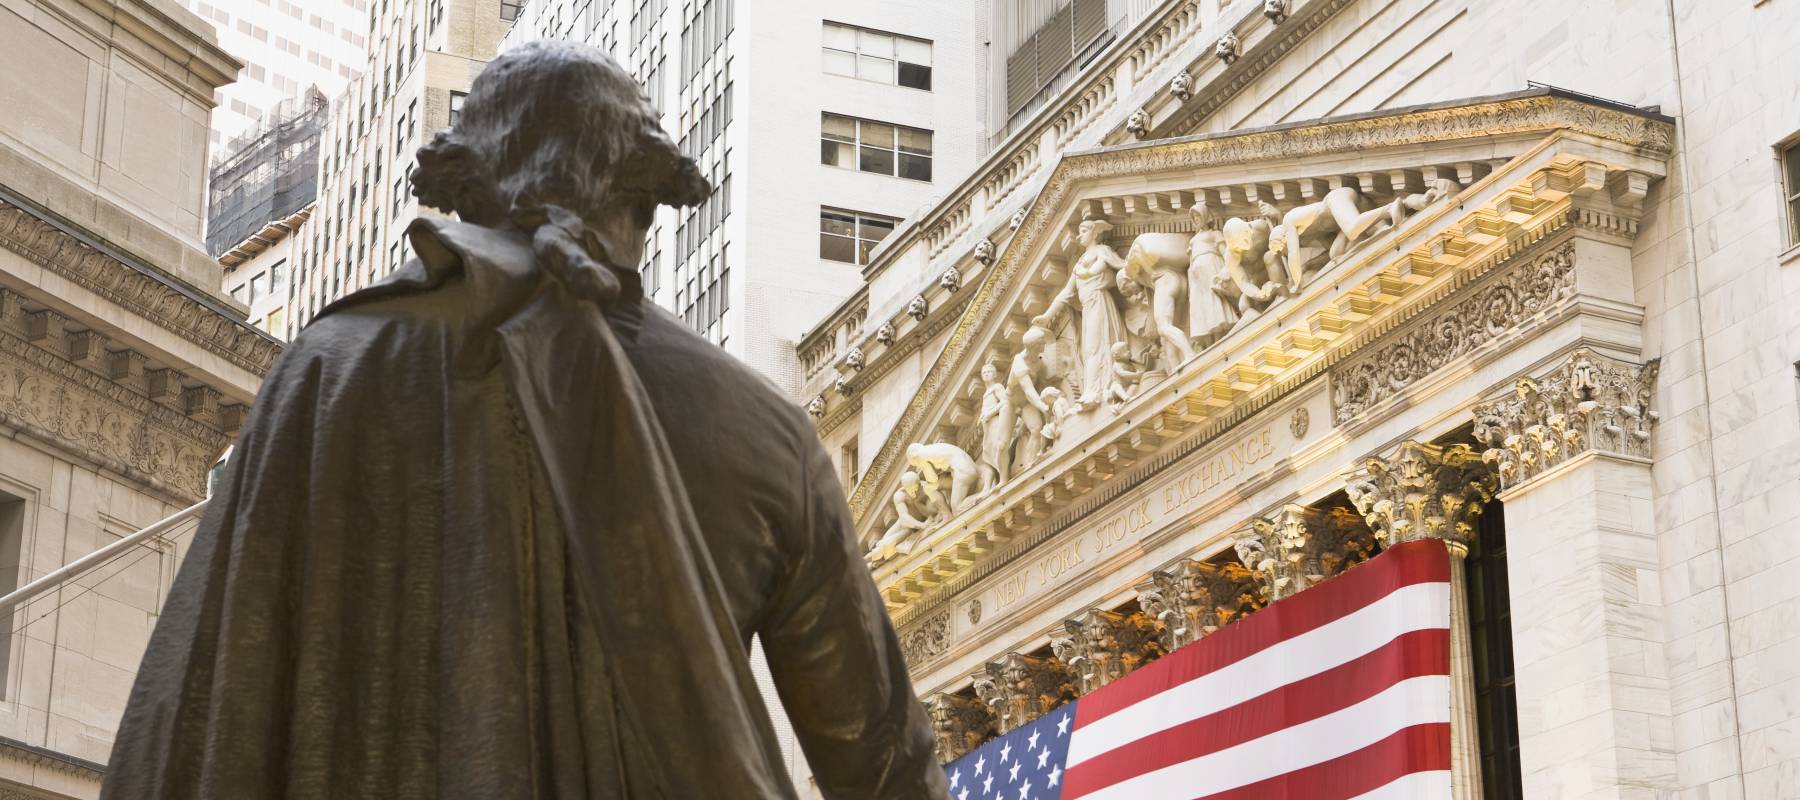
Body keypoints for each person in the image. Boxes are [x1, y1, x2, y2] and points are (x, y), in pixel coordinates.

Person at [103, 41, 945, 800]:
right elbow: (883, 764)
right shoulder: (769, 431)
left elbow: (192, 719)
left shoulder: (331, 366)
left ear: (468, 186)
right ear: (646, 199)